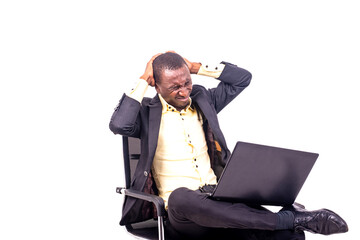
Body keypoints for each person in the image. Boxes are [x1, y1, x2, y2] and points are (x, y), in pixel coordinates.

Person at [109, 52, 348, 239]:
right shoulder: (145, 113)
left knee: (287, 235)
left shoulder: (204, 101)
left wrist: (194, 67)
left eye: (187, 82)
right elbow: (119, 125)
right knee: (182, 197)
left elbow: (242, 78)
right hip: (183, 214)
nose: (184, 92)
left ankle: (288, 224)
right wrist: (143, 78)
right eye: (174, 87)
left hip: (220, 201)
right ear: (156, 85)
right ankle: (288, 218)